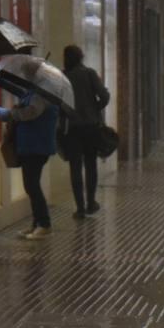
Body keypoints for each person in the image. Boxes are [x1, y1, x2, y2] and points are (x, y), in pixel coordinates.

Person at [0, 89, 58, 239]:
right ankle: (37, 224)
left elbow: (29, 113)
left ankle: (45, 225)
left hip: (37, 147)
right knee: (31, 186)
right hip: (31, 147)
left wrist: (3, 112)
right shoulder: (32, 94)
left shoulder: (40, 96)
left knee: (32, 186)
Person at [61, 45, 111, 219]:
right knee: (91, 165)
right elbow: (104, 96)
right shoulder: (89, 73)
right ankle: (91, 202)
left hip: (72, 128)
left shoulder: (63, 76)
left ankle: (79, 207)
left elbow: (59, 102)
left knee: (75, 167)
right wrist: (94, 108)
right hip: (90, 127)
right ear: (81, 57)